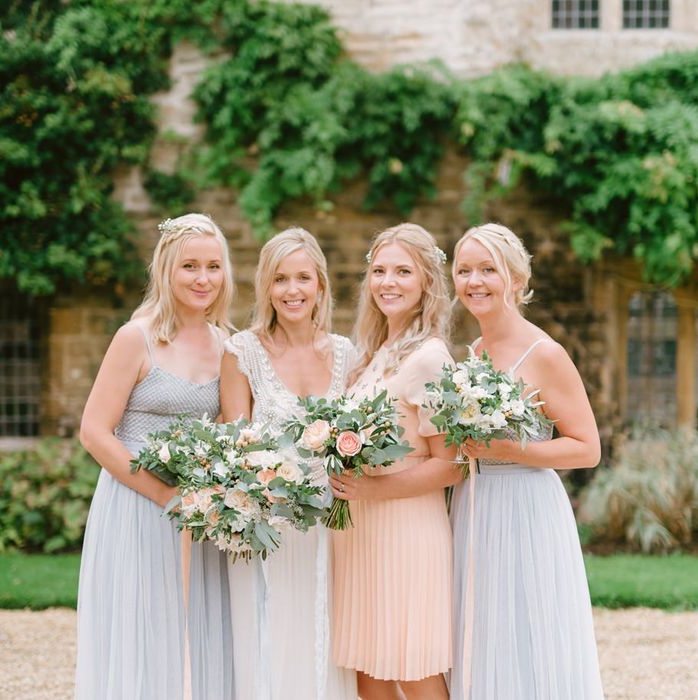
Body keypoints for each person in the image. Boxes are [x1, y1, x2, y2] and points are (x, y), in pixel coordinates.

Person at [76, 213, 235, 699]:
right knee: (139, 627)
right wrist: (165, 494)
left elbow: (232, 433)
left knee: (207, 625)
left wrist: (211, 497)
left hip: (200, 512)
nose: (202, 278)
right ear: (166, 268)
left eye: (213, 266)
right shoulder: (136, 337)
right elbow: (94, 431)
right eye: (190, 266)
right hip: (135, 502)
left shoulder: (228, 346)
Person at [448, 223, 604, 699]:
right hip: (475, 506)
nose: (475, 281)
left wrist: (515, 451)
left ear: (516, 279)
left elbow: (587, 447)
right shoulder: (472, 353)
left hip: (527, 507)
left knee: (528, 630)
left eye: (488, 270)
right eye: (464, 270)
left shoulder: (545, 353)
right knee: (482, 632)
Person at [220, 227, 357, 700]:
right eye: (280, 279)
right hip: (269, 524)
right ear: (266, 286)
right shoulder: (243, 352)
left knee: (326, 632)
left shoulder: (346, 353)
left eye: (303, 278)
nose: (292, 290)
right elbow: (233, 446)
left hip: (335, 525)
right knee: (269, 631)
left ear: (320, 284)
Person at [329, 222, 455, 700]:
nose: (388, 282)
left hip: (406, 530)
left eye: (403, 271)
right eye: (379, 270)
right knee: (370, 670)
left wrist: (373, 490)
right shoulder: (370, 356)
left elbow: (452, 465)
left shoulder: (431, 358)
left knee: (412, 665)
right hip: (359, 531)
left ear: (426, 282)